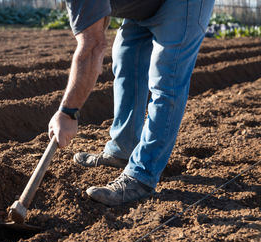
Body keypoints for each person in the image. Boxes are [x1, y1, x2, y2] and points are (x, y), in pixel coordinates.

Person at [48, 0, 215, 206]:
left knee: (166, 79)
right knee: (125, 57)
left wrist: (67, 112)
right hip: (143, 7)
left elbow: (92, 46)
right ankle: (122, 149)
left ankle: (142, 176)